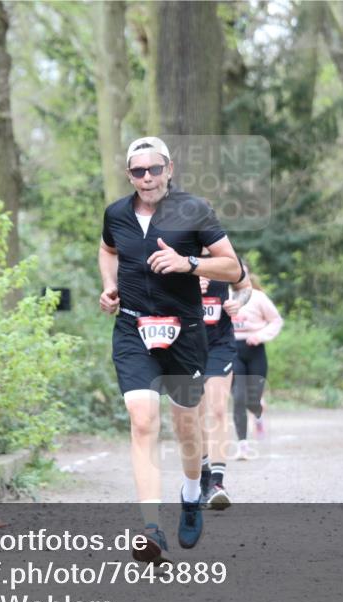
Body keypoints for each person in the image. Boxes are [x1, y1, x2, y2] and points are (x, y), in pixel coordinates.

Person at [99, 136, 243, 563]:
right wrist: (109, 286)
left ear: (169, 169)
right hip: (132, 330)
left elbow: (233, 267)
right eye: (138, 171)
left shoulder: (193, 210)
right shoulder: (116, 214)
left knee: (186, 427)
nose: (147, 178)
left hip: (185, 333)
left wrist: (189, 263)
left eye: (154, 169)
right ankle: (150, 530)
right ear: (129, 175)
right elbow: (108, 251)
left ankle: (191, 491)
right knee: (142, 420)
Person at [187, 262, 251, 511]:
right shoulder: (175, 251)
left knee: (218, 410)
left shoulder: (223, 254)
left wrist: (239, 301)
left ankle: (217, 482)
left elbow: (244, 287)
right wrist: (188, 287)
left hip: (219, 345)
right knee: (195, 414)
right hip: (187, 343)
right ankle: (203, 478)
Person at [231, 271, 283, 460]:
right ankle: (242, 446)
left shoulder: (258, 297)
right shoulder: (223, 296)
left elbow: (276, 320)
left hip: (255, 350)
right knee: (238, 397)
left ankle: (258, 413)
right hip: (232, 350)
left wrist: (260, 336)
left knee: (252, 400)